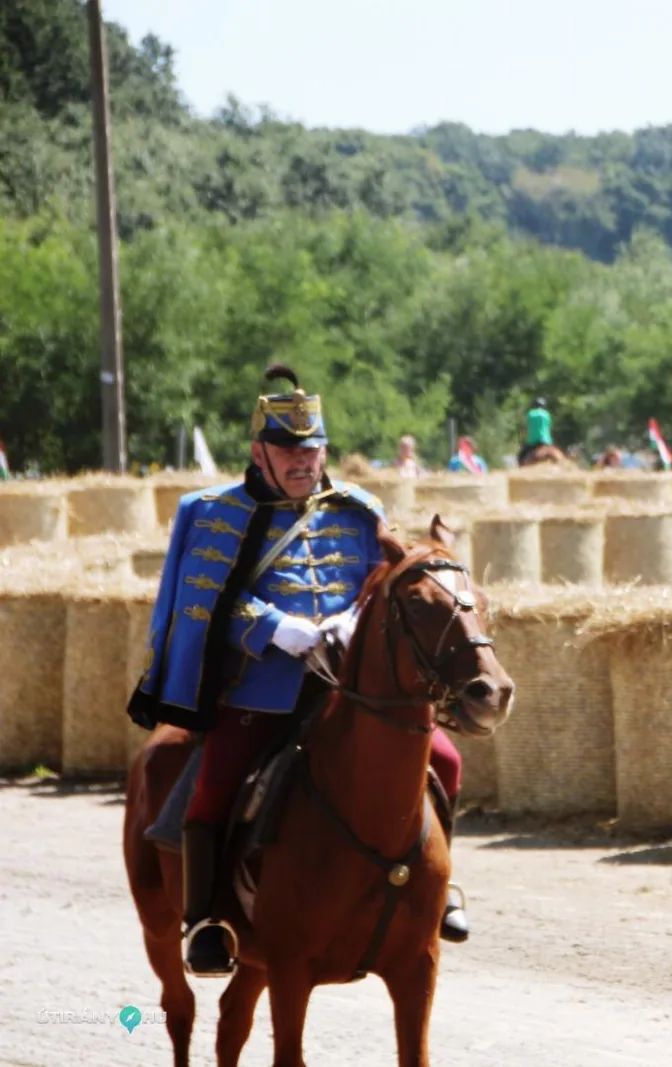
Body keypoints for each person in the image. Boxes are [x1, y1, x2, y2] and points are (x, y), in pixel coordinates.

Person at [127, 364, 473, 978]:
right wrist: (274, 629)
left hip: (347, 682)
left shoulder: (358, 509)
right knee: (213, 785)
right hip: (260, 687)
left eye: (311, 451)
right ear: (259, 451)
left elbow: (382, 585)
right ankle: (210, 919)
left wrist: (350, 619)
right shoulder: (213, 513)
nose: (302, 462)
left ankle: (437, 887)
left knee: (443, 759)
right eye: (288, 451)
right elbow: (202, 600)